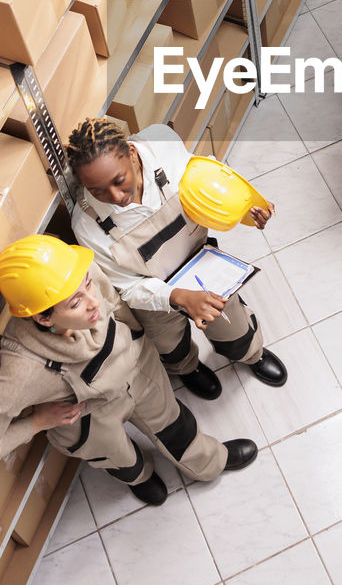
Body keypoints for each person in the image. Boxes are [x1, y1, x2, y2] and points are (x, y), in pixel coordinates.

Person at [0, 234, 258, 507]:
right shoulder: (22, 370)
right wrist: (37, 422)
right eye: (75, 303)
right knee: (120, 457)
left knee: (174, 424)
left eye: (87, 285)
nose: (93, 303)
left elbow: (117, 309)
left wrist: (138, 345)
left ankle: (210, 463)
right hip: (91, 419)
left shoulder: (83, 277)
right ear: (42, 319)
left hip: (138, 371)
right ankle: (139, 478)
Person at [66, 117, 287, 401]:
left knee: (233, 325)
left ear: (132, 153)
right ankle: (188, 369)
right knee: (170, 346)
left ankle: (251, 355)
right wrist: (179, 297)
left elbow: (207, 181)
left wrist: (248, 208)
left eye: (120, 181)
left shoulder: (161, 143)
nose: (116, 197)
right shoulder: (86, 225)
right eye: (98, 191)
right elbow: (129, 287)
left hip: (203, 267)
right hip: (155, 296)